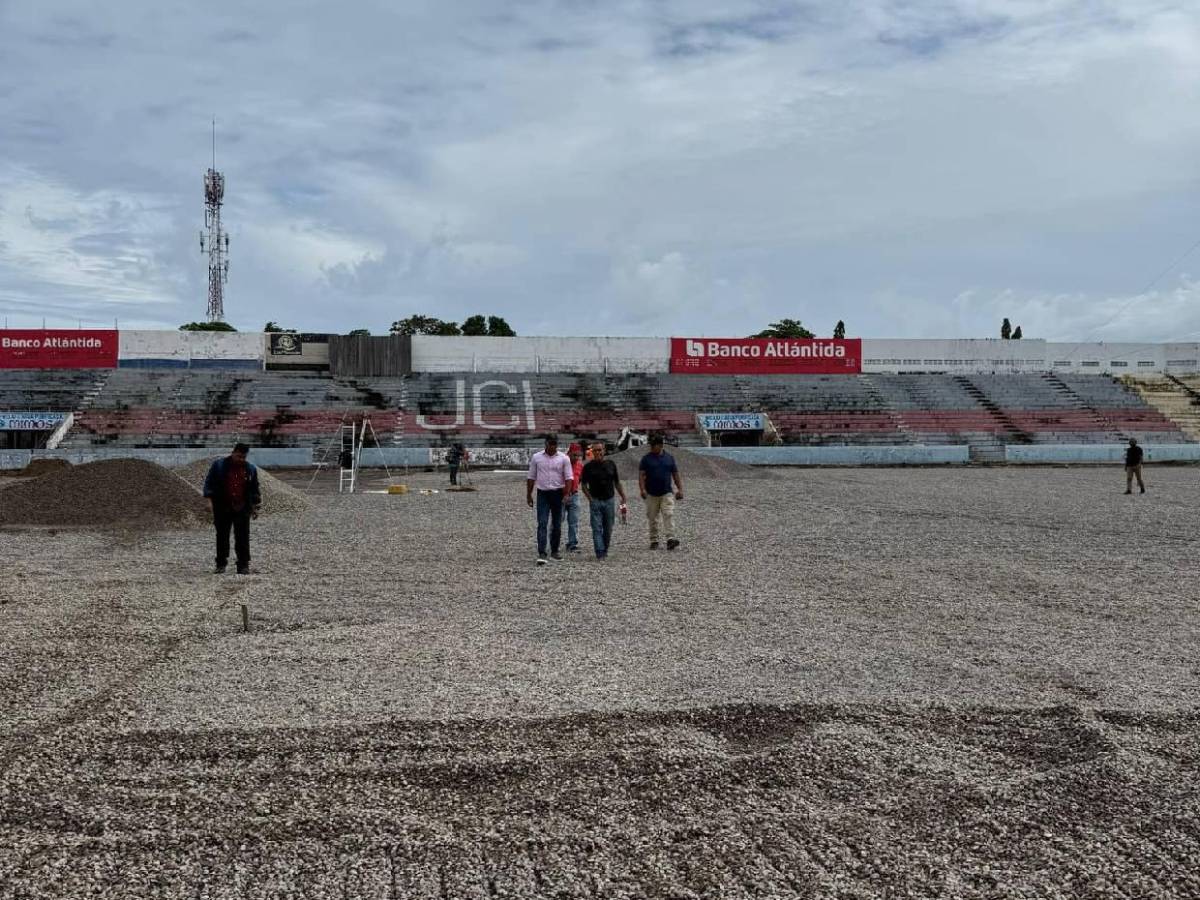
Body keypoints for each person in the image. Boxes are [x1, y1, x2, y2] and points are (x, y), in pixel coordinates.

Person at [203, 442, 262, 574]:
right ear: (233, 452)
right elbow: (209, 483)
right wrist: (209, 501)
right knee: (222, 536)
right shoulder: (218, 466)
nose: (241, 459)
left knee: (243, 537)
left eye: (243, 457)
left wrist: (255, 507)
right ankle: (221, 564)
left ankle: (243, 565)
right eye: (239, 456)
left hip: (242, 507)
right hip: (222, 506)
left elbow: (254, 488)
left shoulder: (250, 469)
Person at [526, 434, 574, 565]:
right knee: (542, 523)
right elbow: (531, 477)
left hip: (558, 493)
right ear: (545, 443)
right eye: (550, 444)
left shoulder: (564, 458)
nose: (553, 446)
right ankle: (542, 552)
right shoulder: (536, 458)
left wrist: (567, 494)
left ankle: (554, 550)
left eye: (555, 444)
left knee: (557, 524)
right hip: (543, 494)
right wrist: (529, 494)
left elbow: (569, 477)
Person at [580, 441, 627, 559]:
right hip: (595, 500)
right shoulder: (588, 467)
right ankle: (599, 552)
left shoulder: (611, 464)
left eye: (600, 450)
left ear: (604, 451)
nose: (598, 452)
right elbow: (584, 485)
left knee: (608, 527)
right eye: (595, 450)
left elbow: (616, 482)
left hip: (609, 500)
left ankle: (605, 548)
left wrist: (623, 495)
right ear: (592, 452)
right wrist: (590, 499)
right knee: (596, 527)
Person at [638, 435, 684, 550]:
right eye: (651, 446)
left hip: (666, 492)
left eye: (654, 446)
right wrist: (642, 489)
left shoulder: (669, 458)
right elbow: (641, 475)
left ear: (660, 446)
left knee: (668, 514)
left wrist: (680, 489)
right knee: (653, 518)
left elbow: (675, 474)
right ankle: (654, 540)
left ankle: (670, 539)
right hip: (651, 493)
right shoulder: (646, 459)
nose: (652, 448)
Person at [563, 445, 585, 552]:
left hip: (574, 494)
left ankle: (572, 543)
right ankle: (554, 542)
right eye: (574, 455)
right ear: (569, 453)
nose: (576, 457)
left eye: (578, 455)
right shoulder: (562, 463)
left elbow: (580, 479)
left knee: (574, 521)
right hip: (561, 495)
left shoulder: (580, 466)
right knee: (558, 520)